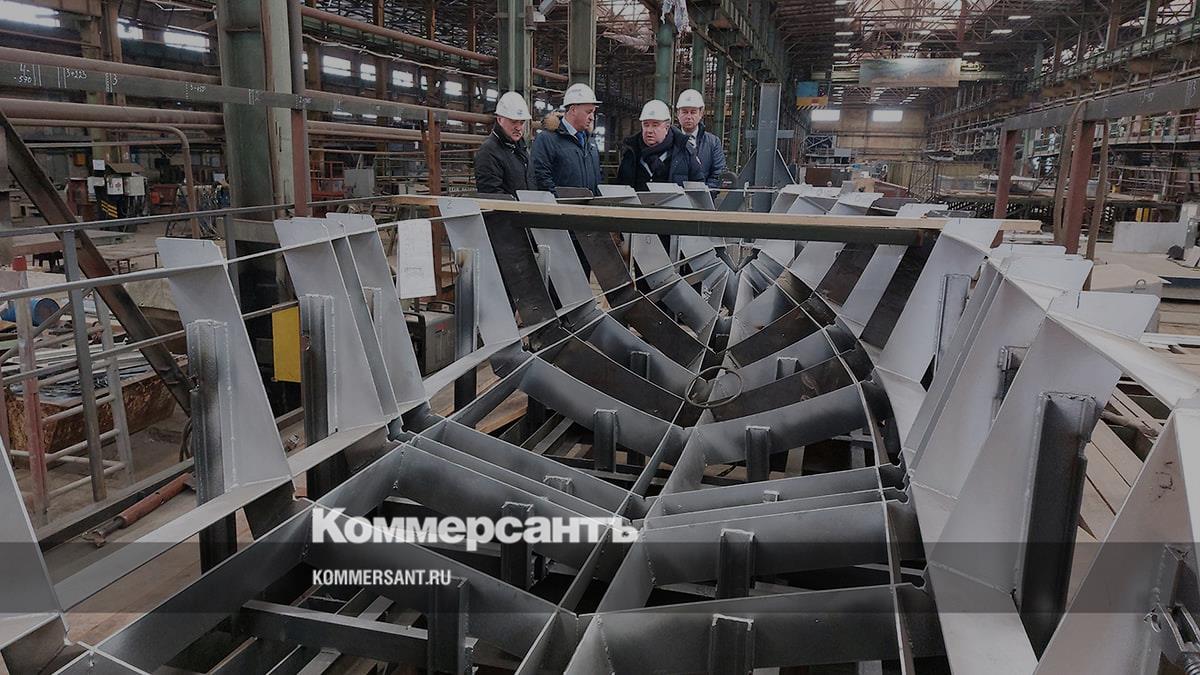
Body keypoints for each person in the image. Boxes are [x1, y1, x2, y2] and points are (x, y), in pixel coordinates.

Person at [531, 83, 603, 196]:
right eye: (588, 112)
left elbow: (598, 179)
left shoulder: (590, 142)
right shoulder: (547, 140)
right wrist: (560, 201)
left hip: (588, 206)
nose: (592, 118)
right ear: (573, 109)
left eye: (593, 112)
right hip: (562, 206)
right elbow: (540, 178)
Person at [616, 99, 701, 192]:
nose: (649, 130)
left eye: (655, 125)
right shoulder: (631, 152)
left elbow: (698, 189)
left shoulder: (684, 151)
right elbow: (620, 188)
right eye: (646, 125)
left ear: (667, 128)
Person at [474, 91, 534, 197]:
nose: (519, 127)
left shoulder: (520, 148)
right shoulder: (488, 152)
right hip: (507, 208)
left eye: (522, 122)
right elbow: (491, 194)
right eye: (513, 121)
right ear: (500, 120)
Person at [674, 88, 727, 189]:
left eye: (693, 112)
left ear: (701, 113)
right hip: (674, 197)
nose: (689, 117)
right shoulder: (670, 140)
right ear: (678, 114)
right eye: (684, 112)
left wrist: (703, 193)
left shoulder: (713, 143)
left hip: (703, 197)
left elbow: (718, 175)